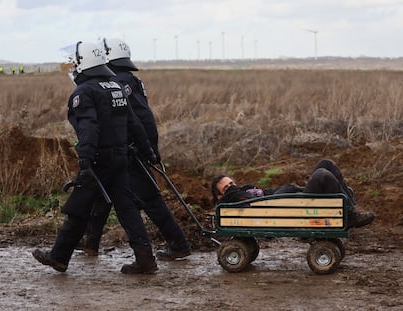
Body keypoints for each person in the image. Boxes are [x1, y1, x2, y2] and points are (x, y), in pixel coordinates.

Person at [32, 41, 159, 274]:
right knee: (127, 209)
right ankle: (145, 259)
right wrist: (148, 151)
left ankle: (59, 256)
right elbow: (134, 122)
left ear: (84, 63)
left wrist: (85, 159)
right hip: (120, 157)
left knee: (79, 207)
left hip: (99, 160)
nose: (72, 66)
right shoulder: (114, 86)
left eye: (75, 61)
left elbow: (88, 128)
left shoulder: (85, 92)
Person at [76, 38, 190, 260]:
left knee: (149, 199)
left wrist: (144, 149)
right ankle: (91, 242)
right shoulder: (128, 80)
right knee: (102, 194)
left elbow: (139, 118)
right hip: (130, 150)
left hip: (132, 152)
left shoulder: (120, 82)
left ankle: (178, 244)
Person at [211, 159, 375, 228]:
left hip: (295, 200)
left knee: (326, 163)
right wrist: (231, 192)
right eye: (226, 188)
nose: (232, 187)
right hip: (295, 207)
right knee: (322, 174)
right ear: (220, 196)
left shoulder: (243, 190)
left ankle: (350, 210)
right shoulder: (233, 199)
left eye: (231, 183)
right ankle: (350, 216)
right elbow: (249, 199)